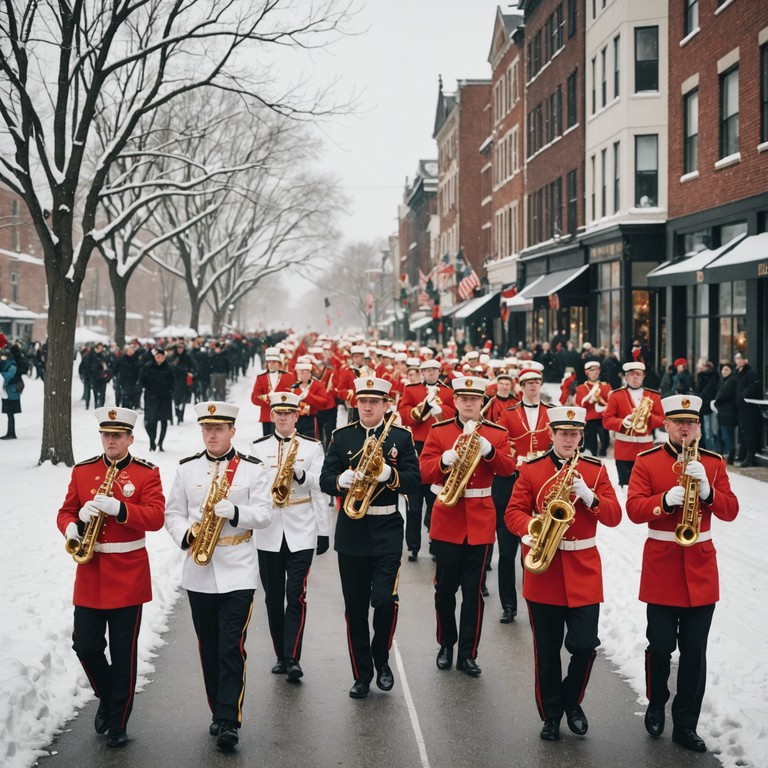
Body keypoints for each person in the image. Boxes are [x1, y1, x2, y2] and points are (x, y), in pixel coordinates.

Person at [626, 395, 738, 753]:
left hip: (701, 568)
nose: (685, 428)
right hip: (661, 566)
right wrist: (665, 501)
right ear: (666, 425)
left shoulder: (714, 463)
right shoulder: (647, 461)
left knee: (695, 653)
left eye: (691, 423)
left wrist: (707, 490)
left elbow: (731, 510)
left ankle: (685, 724)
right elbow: (633, 509)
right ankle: (657, 701)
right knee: (660, 646)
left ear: (700, 427)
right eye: (678, 422)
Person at [505, 406, 621, 742]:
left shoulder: (595, 470)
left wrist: (589, 495)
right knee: (547, 649)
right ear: (552, 434)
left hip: (583, 568)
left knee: (584, 645)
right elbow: (514, 511)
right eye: (563, 433)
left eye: (574, 433)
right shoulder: (532, 469)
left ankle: (572, 700)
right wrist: (530, 528)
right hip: (545, 570)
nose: (569, 439)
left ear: (581, 435)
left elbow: (614, 516)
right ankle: (551, 714)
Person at [164, 401, 272, 751]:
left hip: (238, 568)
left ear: (232, 431)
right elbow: (173, 513)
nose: (212, 434)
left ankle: (228, 719)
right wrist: (187, 533)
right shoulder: (187, 469)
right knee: (208, 647)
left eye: (219, 428)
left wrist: (237, 511)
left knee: (231, 646)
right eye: (207, 428)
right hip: (199, 568)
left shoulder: (253, 469)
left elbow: (265, 514)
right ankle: (217, 709)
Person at [56, 407, 165, 748]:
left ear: (130, 438)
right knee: (85, 646)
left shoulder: (147, 473)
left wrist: (119, 509)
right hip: (89, 573)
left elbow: (156, 517)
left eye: (118, 435)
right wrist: (74, 525)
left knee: (124, 653)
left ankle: (118, 722)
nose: (111, 440)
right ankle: (108, 696)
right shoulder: (84, 470)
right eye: (106, 434)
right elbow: (65, 512)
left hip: (128, 575)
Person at [319, 376, 420, 699]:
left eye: (374, 402)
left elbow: (414, 481)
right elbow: (324, 479)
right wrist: (339, 479)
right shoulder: (342, 436)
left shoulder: (401, 438)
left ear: (385, 405)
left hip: (387, 528)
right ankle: (362, 674)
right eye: (362, 401)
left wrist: (389, 474)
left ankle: (382, 657)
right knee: (356, 608)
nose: (366, 406)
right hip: (351, 531)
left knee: (385, 600)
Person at [419, 375, 516, 676]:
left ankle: (467, 653)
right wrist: (443, 463)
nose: (469, 403)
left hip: (479, 519)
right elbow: (423, 472)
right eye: (464, 398)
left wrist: (490, 452)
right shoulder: (439, 431)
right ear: (456, 401)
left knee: (473, 592)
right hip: (447, 516)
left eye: (475, 398)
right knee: (444, 589)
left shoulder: (497, 434)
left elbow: (508, 469)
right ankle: (446, 643)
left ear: (482, 402)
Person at [250, 392, 330, 682]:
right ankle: (281, 655)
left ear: (298, 415)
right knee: (273, 597)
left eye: (288, 413)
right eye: (278, 412)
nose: (283, 417)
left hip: (301, 529)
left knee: (295, 594)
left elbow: (320, 486)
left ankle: (293, 656)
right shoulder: (257, 448)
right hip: (268, 529)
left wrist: (323, 531)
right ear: (271, 415)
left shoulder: (312, 447)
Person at [494, 363, 552, 623]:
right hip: (511, 480)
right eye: (527, 382)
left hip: (541, 483)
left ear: (540, 385)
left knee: (538, 541)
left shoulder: (552, 413)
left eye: (536, 382)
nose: (532, 386)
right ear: (521, 386)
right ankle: (508, 605)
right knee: (507, 549)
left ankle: (536, 599)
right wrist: (512, 456)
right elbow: (499, 440)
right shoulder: (508, 412)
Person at [397, 358, 456, 561]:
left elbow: (456, 414)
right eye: (427, 370)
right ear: (422, 372)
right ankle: (413, 546)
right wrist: (423, 409)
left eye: (434, 370)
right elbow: (404, 415)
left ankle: (434, 541)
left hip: (440, 446)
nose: (431, 373)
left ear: (439, 371)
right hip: (417, 446)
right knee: (413, 503)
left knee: (435, 501)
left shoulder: (448, 391)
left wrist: (441, 411)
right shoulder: (411, 390)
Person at [602, 362, 665, 487]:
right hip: (623, 450)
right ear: (626, 377)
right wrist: (621, 422)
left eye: (638, 374)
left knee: (644, 486)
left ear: (643, 376)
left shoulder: (653, 395)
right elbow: (607, 421)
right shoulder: (616, 395)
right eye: (631, 374)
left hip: (645, 449)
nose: (635, 377)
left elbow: (662, 419)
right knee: (625, 487)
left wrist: (646, 417)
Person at [250, 347, 292, 437]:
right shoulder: (261, 378)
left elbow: (293, 395)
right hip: (267, 416)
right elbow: (254, 397)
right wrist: (268, 398)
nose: (272, 364)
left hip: (284, 416)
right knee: (267, 443)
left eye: (274, 361)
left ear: (279, 363)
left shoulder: (288, 377)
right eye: (269, 362)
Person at [138, 347, 174, 451]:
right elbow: (141, 380)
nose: (160, 358)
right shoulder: (147, 367)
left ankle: (161, 443)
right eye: (158, 356)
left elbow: (172, 382)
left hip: (165, 398)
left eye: (162, 356)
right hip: (151, 397)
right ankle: (152, 441)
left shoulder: (168, 368)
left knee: (164, 421)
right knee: (150, 422)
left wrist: (170, 392)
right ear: (154, 356)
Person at [733, 352, 762, 467]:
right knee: (743, 432)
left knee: (749, 433)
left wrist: (742, 396)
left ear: (745, 360)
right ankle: (743, 454)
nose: (738, 361)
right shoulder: (738, 373)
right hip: (740, 407)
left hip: (749, 408)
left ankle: (751, 457)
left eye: (740, 358)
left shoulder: (750, 373)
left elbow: (753, 387)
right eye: (736, 358)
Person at [714, 362, 738, 464]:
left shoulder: (732, 381)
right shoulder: (723, 381)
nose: (724, 372)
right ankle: (723, 454)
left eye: (727, 370)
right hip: (722, 412)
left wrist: (717, 400)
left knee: (727, 435)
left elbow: (725, 395)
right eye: (723, 370)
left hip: (728, 413)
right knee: (721, 434)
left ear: (731, 371)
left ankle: (730, 455)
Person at [0, 346, 21, 439]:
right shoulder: (6, 364)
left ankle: (11, 432)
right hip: (9, 391)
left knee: (10, 413)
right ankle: (10, 432)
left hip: (12, 392)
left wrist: (2, 377)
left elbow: (7, 377)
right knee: (9, 414)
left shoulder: (12, 365)